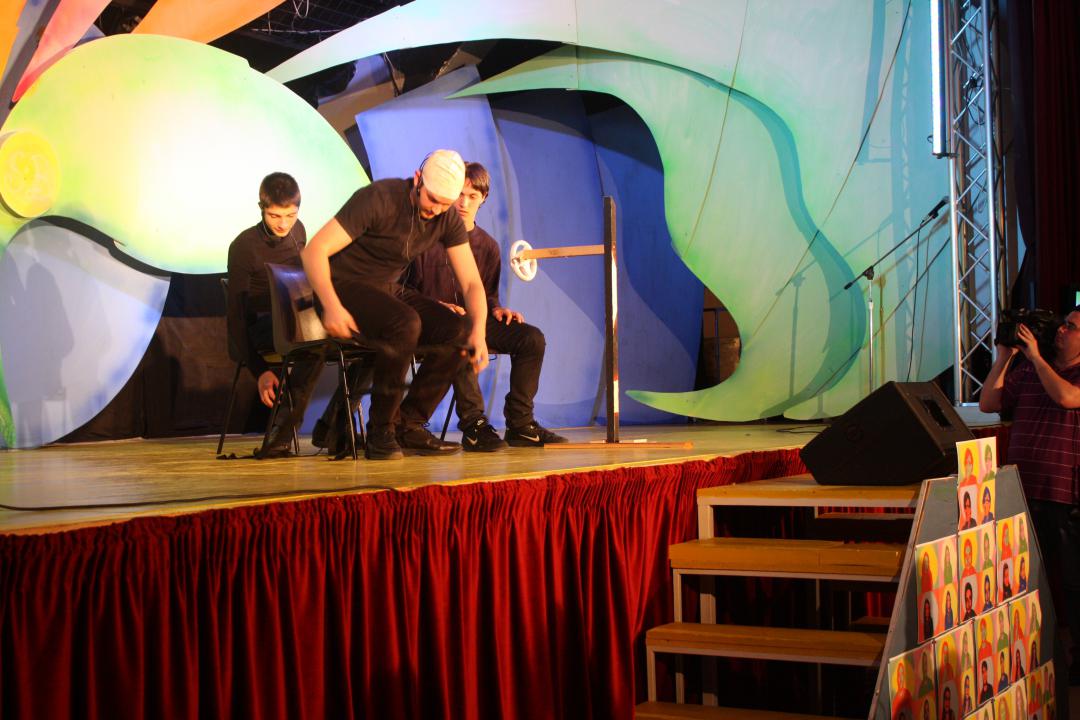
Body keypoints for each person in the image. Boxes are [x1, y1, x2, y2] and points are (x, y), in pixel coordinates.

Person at [302, 150, 489, 460]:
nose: (436, 209)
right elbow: (314, 251)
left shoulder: (446, 218)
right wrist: (332, 305)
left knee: (457, 329)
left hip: (388, 290)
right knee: (406, 323)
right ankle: (381, 432)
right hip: (341, 288)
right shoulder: (379, 198)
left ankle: (408, 425)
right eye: (432, 199)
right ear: (417, 180)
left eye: (445, 204)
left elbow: (471, 283)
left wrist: (478, 332)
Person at [405, 162, 567, 450]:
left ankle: (520, 423)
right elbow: (405, 292)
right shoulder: (422, 238)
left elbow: (487, 294)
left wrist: (497, 309)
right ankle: (474, 425)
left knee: (531, 338)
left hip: (474, 320)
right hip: (433, 325)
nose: (464, 203)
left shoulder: (488, 246)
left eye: (472, 196)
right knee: (461, 332)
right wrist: (437, 305)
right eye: (459, 194)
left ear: (483, 199)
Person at [981, 308, 1080, 684]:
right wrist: (1005, 358)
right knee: (1022, 580)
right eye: (1063, 324)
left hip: (1066, 497)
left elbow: (1067, 398)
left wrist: (1036, 358)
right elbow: (989, 403)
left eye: (1071, 327)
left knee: (1073, 584)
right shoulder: (1029, 370)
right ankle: (1026, 656)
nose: (1061, 330)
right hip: (1022, 491)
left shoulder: (1057, 371)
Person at [226, 172, 323, 458]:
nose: (283, 224)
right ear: (261, 208)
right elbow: (236, 319)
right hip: (261, 327)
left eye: (291, 215)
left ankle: (336, 425)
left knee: (350, 336)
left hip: (295, 322)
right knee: (312, 343)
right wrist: (260, 371)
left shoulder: (299, 231)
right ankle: (281, 432)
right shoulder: (244, 247)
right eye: (275, 216)